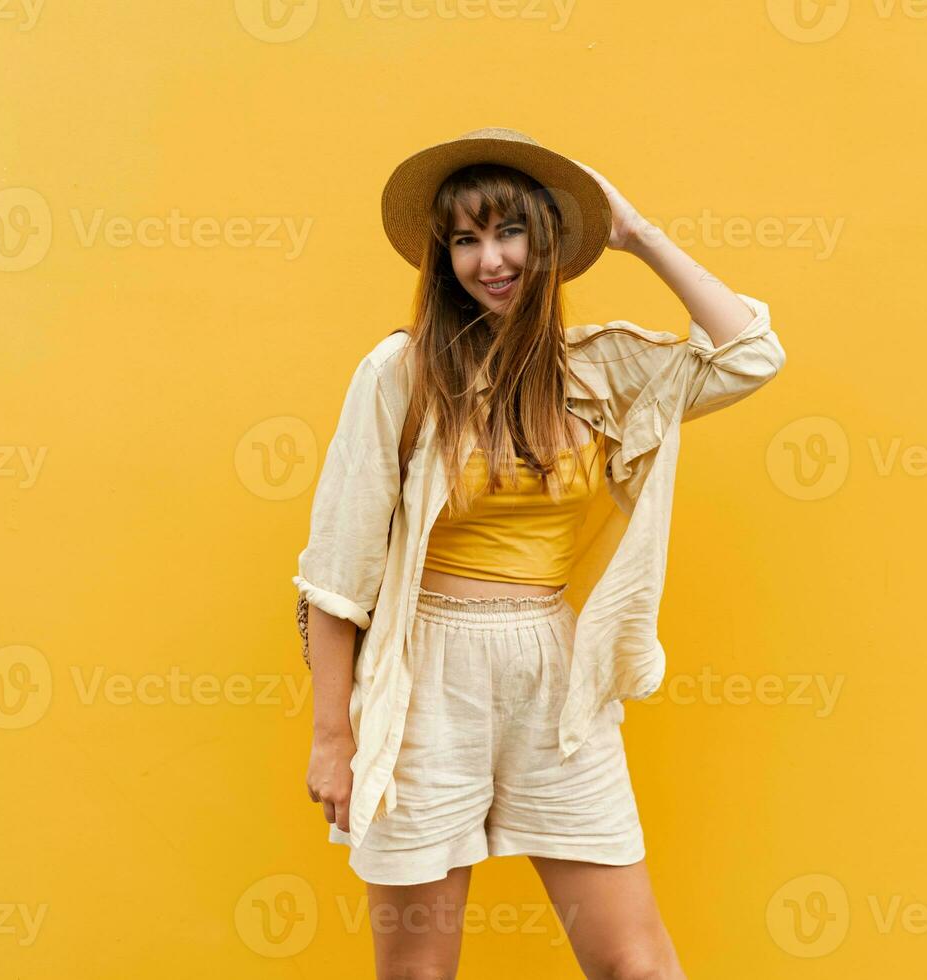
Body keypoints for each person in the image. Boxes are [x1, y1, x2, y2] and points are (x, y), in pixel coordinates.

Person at [294, 127, 787, 979]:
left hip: (556, 677)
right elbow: (337, 574)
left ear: (549, 241)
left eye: (509, 232)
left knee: (637, 965)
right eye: (465, 240)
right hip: (424, 677)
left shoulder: (597, 374)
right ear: (443, 258)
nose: (491, 259)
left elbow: (751, 354)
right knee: (417, 973)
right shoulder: (402, 372)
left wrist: (634, 233)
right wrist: (331, 737)